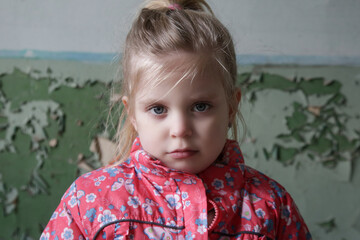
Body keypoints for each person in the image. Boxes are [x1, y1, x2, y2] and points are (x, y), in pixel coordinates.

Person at [41, 0, 312, 239]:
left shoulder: (271, 206)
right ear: (132, 113)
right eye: (158, 109)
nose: (180, 129)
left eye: (201, 106)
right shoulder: (90, 201)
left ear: (231, 107)